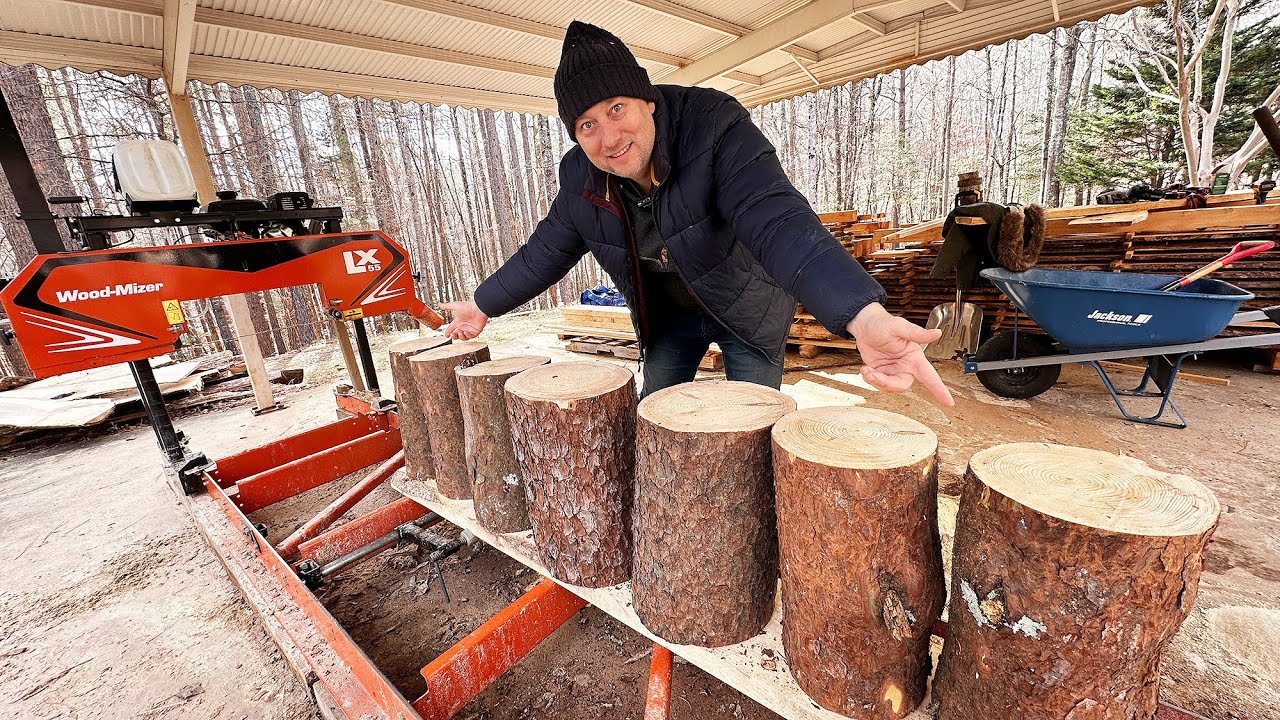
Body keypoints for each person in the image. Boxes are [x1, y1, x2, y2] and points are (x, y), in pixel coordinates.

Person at [442, 21, 952, 406]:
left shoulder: (714, 126)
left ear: (647, 101)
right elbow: (545, 251)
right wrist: (483, 303)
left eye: (616, 109)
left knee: (752, 422)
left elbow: (777, 220)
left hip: (747, 306)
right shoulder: (581, 175)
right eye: (587, 124)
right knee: (658, 419)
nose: (609, 138)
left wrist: (860, 314)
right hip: (670, 318)